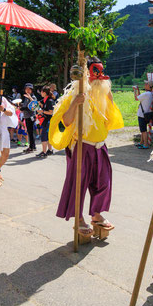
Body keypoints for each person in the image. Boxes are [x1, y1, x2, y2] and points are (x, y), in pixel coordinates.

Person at [49, 57, 124, 240]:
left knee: (103, 183)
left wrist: (110, 98)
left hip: (100, 147)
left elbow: (110, 121)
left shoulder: (102, 94)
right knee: (78, 186)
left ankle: (96, 215)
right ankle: (79, 218)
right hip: (82, 147)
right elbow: (65, 122)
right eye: (95, 72)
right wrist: (75, 103)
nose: (99, 77)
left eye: (101, 72)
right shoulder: (73, 94)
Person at [36, 85, 55, 158]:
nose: (40, 93)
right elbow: (38, 103)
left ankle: (44, 152)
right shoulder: (44, 100)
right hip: (46, 120)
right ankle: (50, 150)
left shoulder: (50, 101)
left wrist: (42, 111)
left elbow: (51, 112)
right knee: (48, 136)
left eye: (41, 91)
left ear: (44, 92)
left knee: (44, 136)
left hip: (49, 121)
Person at [134, 81, 153, 149]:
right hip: (146, 114)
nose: (145, 85)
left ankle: (145, 144)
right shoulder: (149, 94)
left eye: (146, 84)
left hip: (142, 114)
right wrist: (138, 90)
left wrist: (135, 91)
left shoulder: (146, 94)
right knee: (143, 130)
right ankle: (141, 142)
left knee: (143, 131)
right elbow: (140, 98)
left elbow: (136, 98)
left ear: (149, 86)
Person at [20, 83, 37, 153]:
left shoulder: (33, 97)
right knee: (29, 132)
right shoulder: (26, 97)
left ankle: (32, 147)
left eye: (29, 89)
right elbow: (25, 105)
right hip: (26, 116)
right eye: (26, 89)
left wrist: (24, 108)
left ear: (32, 90)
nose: (27, 90)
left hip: (31, 116)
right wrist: (21, 106)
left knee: (30, 132)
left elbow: (34, 106)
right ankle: (32, 146)